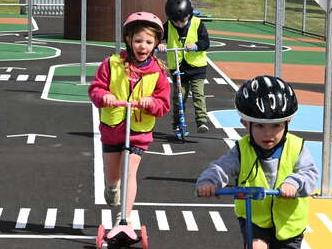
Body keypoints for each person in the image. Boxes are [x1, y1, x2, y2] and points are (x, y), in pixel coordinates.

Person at [196, 75, 318, 249]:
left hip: (289, 225)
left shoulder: (297, 147)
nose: (268, 134)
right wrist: (209, 181)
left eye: (276, 126)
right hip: (255, 220)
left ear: (287, 122)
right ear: (245, 124)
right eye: (260, 126)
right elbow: (221, 168)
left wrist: (294, 183)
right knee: (256, 246)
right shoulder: (241, 150)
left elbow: (310, 175)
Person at [89, 11, 170, 225]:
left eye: (148, 42)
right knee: (113, 174)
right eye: (138, 40)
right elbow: (95, 89)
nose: (143, 46)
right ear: (128, 40)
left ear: (155, 44)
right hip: (113, 129)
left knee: (129, 171)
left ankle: (123, 218)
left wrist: (152, 103)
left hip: (138, 132)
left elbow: (164, 104)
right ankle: (111, 187)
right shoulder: (111, 64)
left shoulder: (158, 72)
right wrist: (104, 96)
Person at [158, 0, 210, 133]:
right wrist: (159, 44)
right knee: (179, 96)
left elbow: (206, 42)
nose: (180, 24)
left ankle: (202, 121)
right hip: (178, 67)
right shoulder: (168, 25)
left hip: (197, 67)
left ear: (189, 15)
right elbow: (157, 37)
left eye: (183, 20)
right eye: (176, 21)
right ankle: (177, 123)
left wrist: (196, 46)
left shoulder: (197, 23)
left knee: (198, 94)